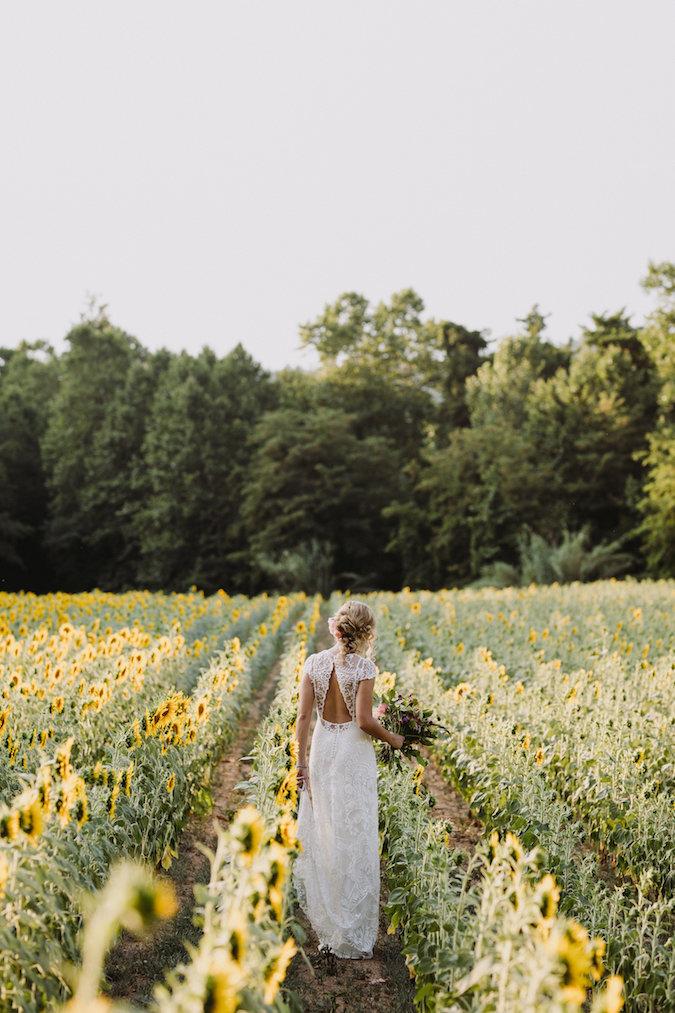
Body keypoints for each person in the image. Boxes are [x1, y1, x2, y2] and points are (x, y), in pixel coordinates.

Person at [291, 600, 405, 960]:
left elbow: (303, 719)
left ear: (338, 628)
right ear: (367, 632)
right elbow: (364, 721)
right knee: (353, 832)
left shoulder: (313, 663)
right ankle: (351, 929)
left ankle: (330, 926)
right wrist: (396, 739)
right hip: (352, 754)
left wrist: (300, 765)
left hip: (323, 750)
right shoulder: (365, 668)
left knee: (326, 830)